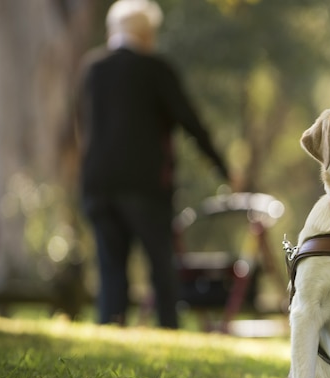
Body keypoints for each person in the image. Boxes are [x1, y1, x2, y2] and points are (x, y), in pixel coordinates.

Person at [76, 0, 230, 329]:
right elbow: (191, 123)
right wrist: (224, 169)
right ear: (147, 34)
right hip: (145, 186)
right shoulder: (156, 70)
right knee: (161, 265)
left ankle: (111, 328)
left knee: (110, 269)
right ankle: (167, 329)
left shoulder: (91, 69)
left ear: (111, 31)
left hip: (97, 184)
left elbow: (80, 125)